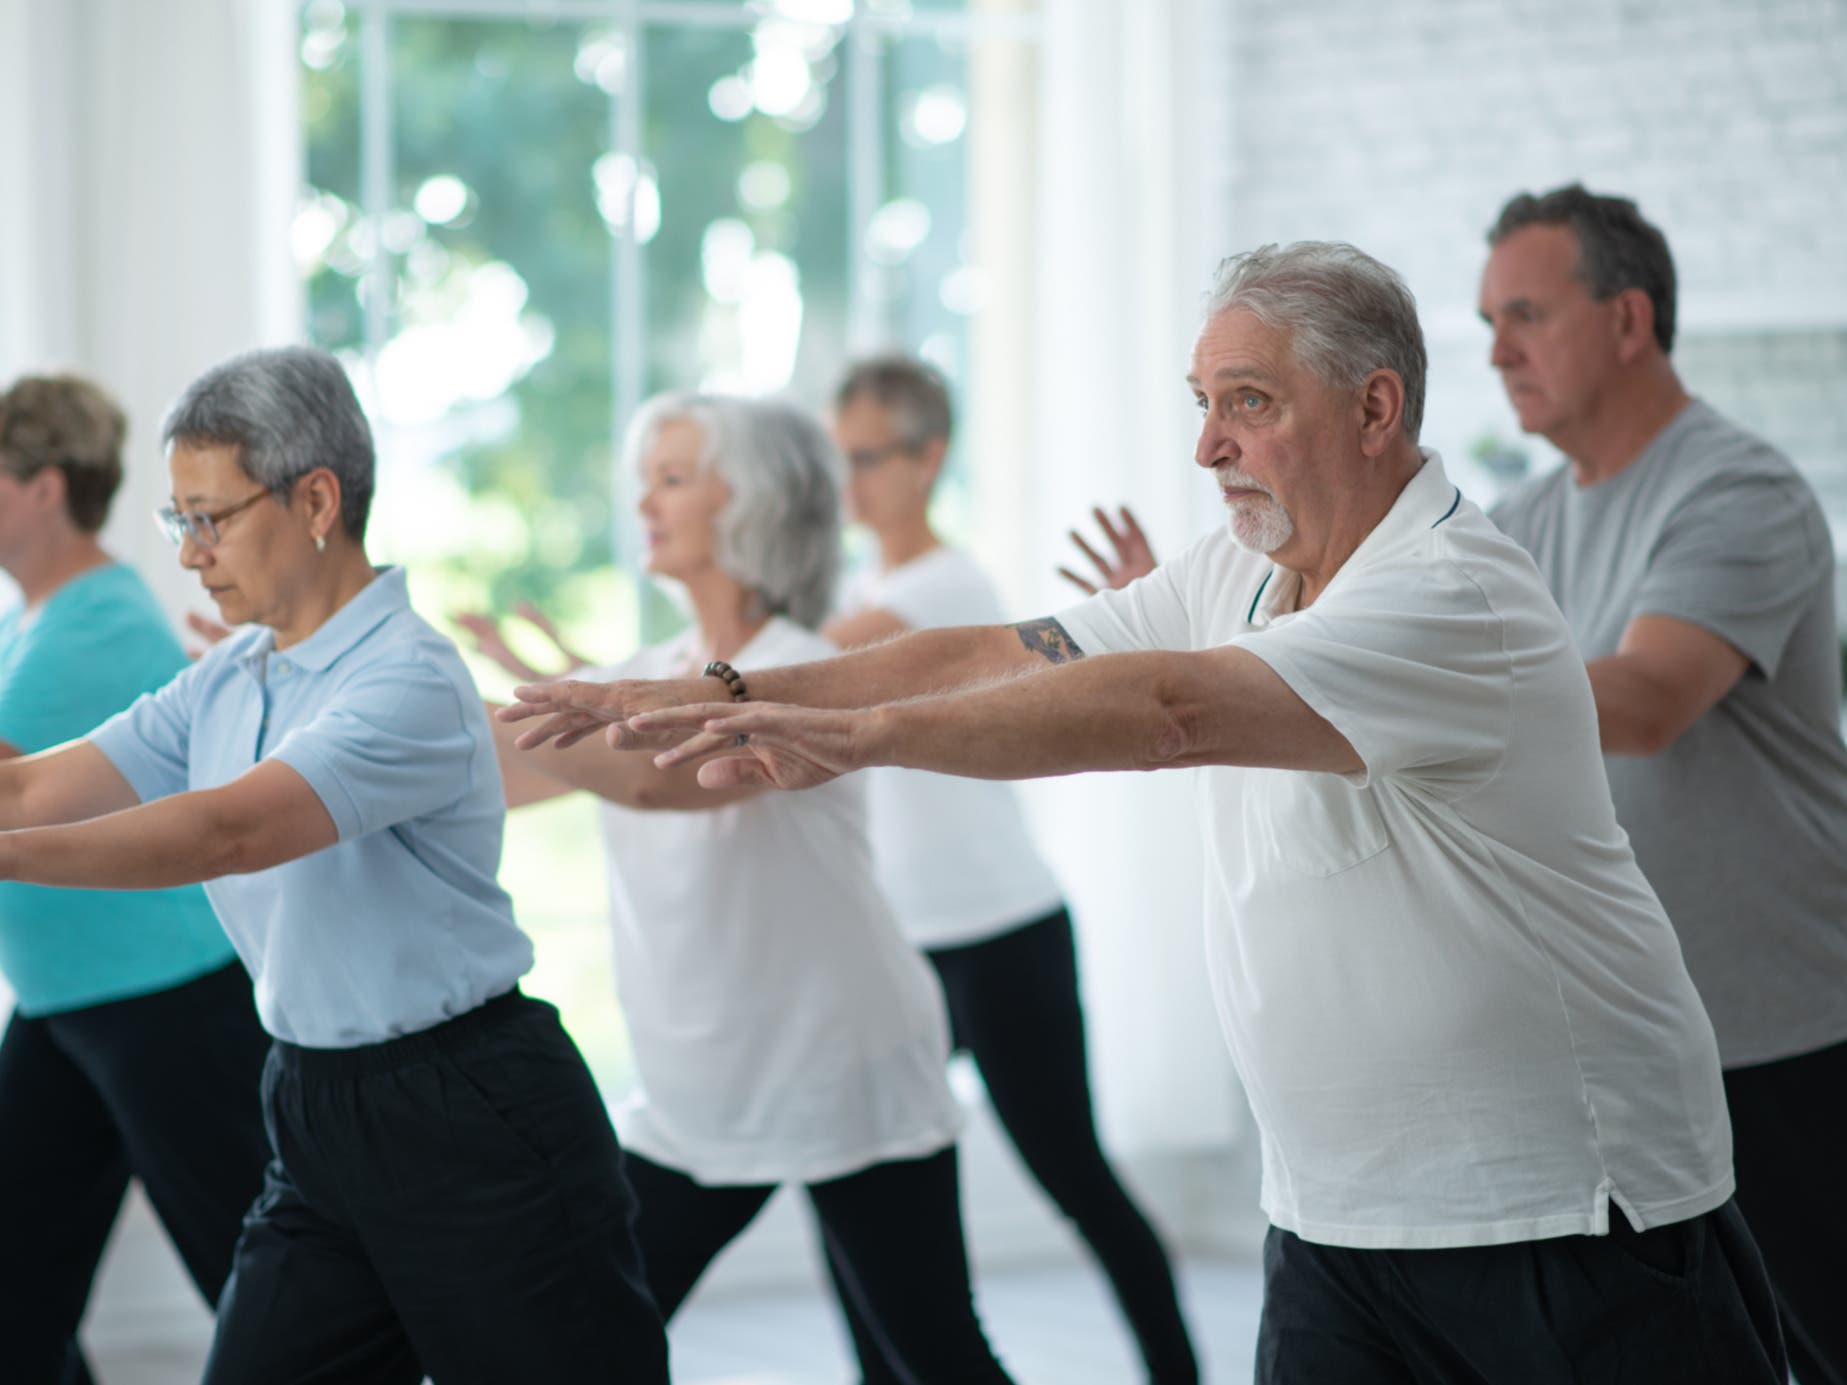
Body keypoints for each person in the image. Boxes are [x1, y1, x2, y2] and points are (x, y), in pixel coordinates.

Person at [502, 242, 1789, 1385]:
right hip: (1336, 1216)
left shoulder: (1447, 593)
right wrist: (732, 689)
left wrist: (860, 738)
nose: (1206, 446)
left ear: (1373, 407)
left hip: (1565, 1206)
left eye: (1247, 402)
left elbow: (1166, 707)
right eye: (1200, 403)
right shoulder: (1241, 565)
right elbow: (1001, 653)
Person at [0, 346, 668, 1385]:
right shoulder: (229, 677)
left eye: (210, 519)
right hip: (312, 1107)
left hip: (472, 1113)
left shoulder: (408, 679)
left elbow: (228, 831)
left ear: (316, 499)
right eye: (179, 521)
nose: (190, 554)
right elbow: (24, 791)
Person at [487, 392, 1015, 1384]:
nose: (644, 502)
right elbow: (505, 774)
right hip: (698, 1091)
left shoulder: (799, 669)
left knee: (931, 1356)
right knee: (583, 1345)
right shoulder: (647, 671)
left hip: (841, 1062)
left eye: (673, 478)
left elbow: (654, 777)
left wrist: (444, 699)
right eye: (646, 479)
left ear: (753, 502)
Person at [1481, 183, 1847, 1385]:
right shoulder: (1517, 523)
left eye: (1525, 314)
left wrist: (1431, 687)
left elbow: (1644, 701)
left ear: (1627, 319)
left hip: (1783, 1029)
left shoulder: (1734, 489)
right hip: (1625, 1048)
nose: (1496, 352)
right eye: (1489, 321)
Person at [823, 354, 1199, 1384]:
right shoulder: (860, 586)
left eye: (866, 457)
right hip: (905, 943)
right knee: (857, 1182)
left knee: (1074, 1178)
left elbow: (809, 655)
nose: (848, 481)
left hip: (1001, 937)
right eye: (838, 457)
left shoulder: (941, 587)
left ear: (926, 457)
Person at [0, 374, 270, 1385]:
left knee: (268, 1289)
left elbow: (12, 790)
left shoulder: (98, 624)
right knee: (12, 1291)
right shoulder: (32, 620)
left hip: (167, 1003)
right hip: (70, 1000)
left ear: (44, 486)